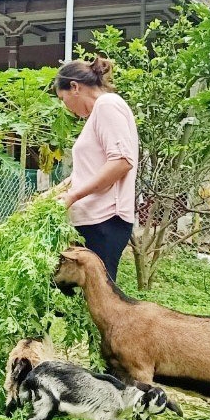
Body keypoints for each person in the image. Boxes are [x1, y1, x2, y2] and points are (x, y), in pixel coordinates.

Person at [54, 56, 139, 283]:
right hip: (91, 221)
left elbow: (121, 161)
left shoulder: (107, 105)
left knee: (98, 300)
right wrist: (52, 194)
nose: (66, 107)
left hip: (104, 221)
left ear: (74, 87)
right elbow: (86, 173)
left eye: (62, 99)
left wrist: (74, 196)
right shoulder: (96, 115)